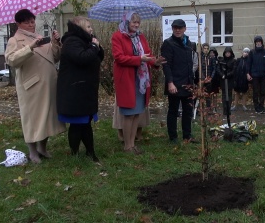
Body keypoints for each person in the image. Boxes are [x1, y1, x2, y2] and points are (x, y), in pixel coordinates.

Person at [4, 9, 66, 164]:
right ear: (18, 24)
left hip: (49, 84)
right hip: (31, 87)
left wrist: (55, 43)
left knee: (47, 117)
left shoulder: (40, 37)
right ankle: (32, 152)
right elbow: (11, 60)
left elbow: (55, 57)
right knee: (32, 120)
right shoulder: (15, 40)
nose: (31, 25)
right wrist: (29, 47)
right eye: (27, 22)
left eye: (32, 21)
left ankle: (42, 148)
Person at [111, 11, 163, 154]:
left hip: (141, 80)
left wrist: (155, 61)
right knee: (129, 113)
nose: (136, 24)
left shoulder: (140, 36)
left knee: (137, 113)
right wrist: (139, 59)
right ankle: (127, 146)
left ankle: (132, 144)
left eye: (138, 22)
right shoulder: (118, 36)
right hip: (126, 79)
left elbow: (147, 54)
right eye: (133, 22)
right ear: (127, 22)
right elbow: (119, 58)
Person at [57, 16, 104, 162]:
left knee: (86, 122)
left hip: (85, 89)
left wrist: (97, 46)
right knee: (77, 124)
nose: (91, 29)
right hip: (75, 91)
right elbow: (82, 58)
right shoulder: (71, 41)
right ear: (80, 28)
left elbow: (97, 57)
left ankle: (90, 153)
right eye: (88, 27)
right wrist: (94, 47)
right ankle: (75, 154)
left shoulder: (85, 40)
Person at [161, 19, 197, 144]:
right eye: (175, 28)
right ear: (172, 29)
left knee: (188, 111)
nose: (177, 30)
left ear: (184, 29)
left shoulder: (189, 43)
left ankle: (187, 136)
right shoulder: (168, 43)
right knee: (173, 111)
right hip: (174, 83)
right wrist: (170, 82)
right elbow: (166, 65)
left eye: (180, 28)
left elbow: (191, 64)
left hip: (188, 83)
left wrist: (193, 82)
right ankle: (173, 137)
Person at [247, 36, 265, 114]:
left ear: (261, 43)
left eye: (259, 42)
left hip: (263, 75)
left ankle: (261, 106)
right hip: (254, 75)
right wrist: (248, 73)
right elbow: (249, 64)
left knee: (263, 92)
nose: (258, 43)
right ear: (255, 43)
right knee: (255, 92)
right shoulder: (252, 52)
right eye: (257, 42)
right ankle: (256, 106)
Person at [219, 47, 236, 115]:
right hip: (223, 79)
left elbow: (234, 70)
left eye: (229, 53)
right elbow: (219, 69)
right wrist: (222, 75)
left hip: (230, 80)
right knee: (224, 95)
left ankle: (228, 109)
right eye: (226, 53)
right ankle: (224, 109)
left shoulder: (233, 61)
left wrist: (227, 75)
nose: (227, 54)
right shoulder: (222, 60)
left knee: (229, 95)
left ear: (231, 53)